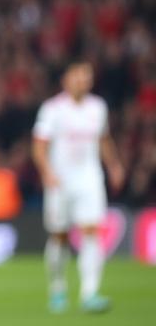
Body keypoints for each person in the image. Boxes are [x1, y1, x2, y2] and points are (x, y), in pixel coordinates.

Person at [32, 61, 125, 313]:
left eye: (86, 77)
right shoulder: (52, 109)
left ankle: (90, 292)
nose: (82, 81)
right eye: (77, 76)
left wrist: (114, 165)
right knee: (59, 236)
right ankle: (58, 287)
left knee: (92, 231)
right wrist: (47, 172)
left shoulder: (98, 107)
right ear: (66, 79)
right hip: (60, 180)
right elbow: (39, 145)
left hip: (89, 178)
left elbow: (103, 139)